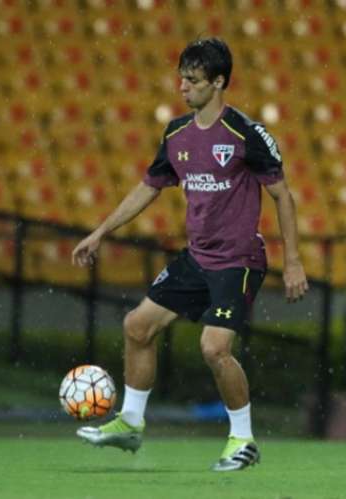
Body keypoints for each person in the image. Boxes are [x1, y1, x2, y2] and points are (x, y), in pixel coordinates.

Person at [71, 37, 308, 472]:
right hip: (197, 259)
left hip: (238, 261)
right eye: (181, 77)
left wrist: (293, 261)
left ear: (218, 83)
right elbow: (149, 187)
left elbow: (283, 196)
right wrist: (101, 231)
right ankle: (130, 423)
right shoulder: (177, 134)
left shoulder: (246, 134)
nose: (183, 87)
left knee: (214, 348)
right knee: (137, 326)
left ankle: (242, 439)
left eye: (194, 80)